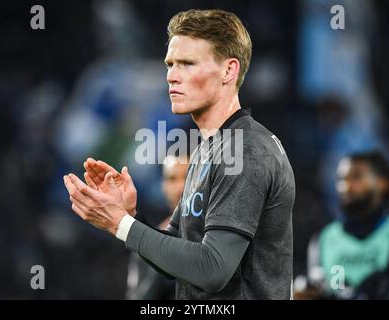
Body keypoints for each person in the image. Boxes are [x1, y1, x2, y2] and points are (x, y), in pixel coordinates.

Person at [63, 9, 295, 299]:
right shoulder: (206, 151)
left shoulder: (245, 152)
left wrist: (120, 224)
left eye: (187, 64)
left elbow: (212, 269)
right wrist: (129, 216)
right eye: (170, 64)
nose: (172, 76)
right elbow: (174, 256)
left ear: (228, 71)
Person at [294, 151, 389, 299]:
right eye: (341, 179)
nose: (346, 186)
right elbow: (313, 284)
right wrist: (303, 288)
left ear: (383, 183)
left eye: (356, 177)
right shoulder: (324, 239)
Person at [125, 155, 188, 300]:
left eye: (188, 176)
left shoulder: (222, 233)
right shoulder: (146, 241)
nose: (180, 187)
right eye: (172, 179)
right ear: (163, 186)